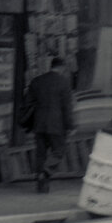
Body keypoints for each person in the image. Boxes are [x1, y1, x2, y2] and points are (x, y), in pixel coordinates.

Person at [23, 57, 74, 194]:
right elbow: (67, 107)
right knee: (59, 150)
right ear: (62, 67)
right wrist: (70, 126)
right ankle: (46, 171)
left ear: (51, 66)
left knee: (41, 154)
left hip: (39, 124)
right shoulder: (64, 83)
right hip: (57, 124)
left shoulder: (37, 81)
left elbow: (28, 104)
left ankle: (42, 187)